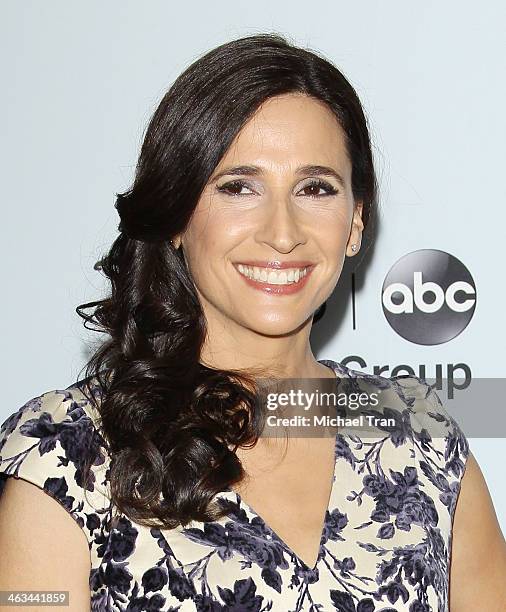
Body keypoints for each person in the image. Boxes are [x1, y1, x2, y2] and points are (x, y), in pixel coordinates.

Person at [0, 32, 505, 612]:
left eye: (316, 188)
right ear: (178, 216)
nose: (282, 232)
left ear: (356, 222)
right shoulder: (69, 453)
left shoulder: (421, 437)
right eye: (238, 187)